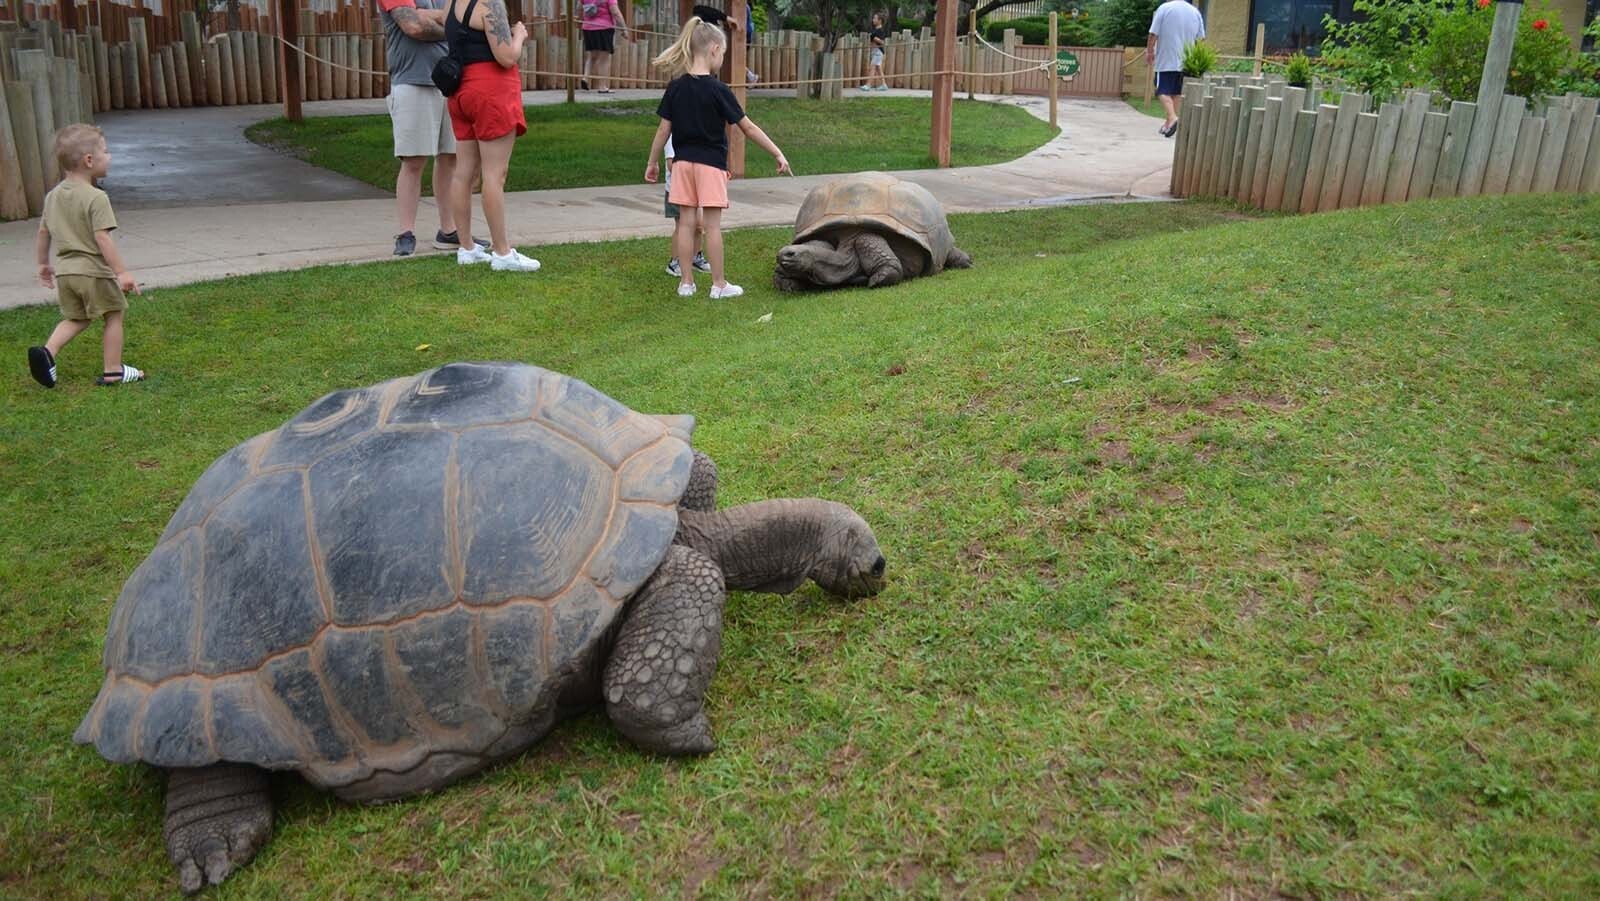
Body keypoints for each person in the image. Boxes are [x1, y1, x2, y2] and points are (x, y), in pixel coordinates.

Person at [645, 16, 790, 299]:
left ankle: (686, 283)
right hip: (710, 166)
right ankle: (719, 285)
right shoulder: (719, 90)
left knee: (686, 223)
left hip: (682, 165)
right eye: (722, 53)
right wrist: (777, 151)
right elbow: (746, 127)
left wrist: (652, 162)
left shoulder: (676, 87)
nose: (721, 58)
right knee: (711, 226)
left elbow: (664, 130)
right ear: (713, 49)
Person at [29, 124, 144, 388]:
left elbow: (43, 232)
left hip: (67, 273)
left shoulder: (52, 196)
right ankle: (113, 370)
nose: (110, 156)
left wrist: (43, 264)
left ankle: (47, 353)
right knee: (114, 314)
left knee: (77, 317)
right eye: (106, 151)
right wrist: (121, 272)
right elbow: (103, 238)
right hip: (93, 271)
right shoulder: (96, 197)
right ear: (89, 160)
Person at [376, 0, 486, 256]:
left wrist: (437, 18)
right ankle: (406, 233)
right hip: (412, 81)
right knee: (413, 161)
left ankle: (448, 231)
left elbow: (472, 19)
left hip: (450, 82)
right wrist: (453, 28)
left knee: (450, 158)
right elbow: (413, 26)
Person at [443, 0, 542, 271]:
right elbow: (507, 56)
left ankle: (467, 248)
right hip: (491, 91)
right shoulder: (490, 4)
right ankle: (502, 252)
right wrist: (518, 35)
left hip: (460, 91)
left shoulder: (452, 4)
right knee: (494, 175)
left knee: (463, 173)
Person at [1147, 0, 1204, 137]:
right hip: (1186, 60)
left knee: (1161, 90)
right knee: (1176, 93)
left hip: (1166, 59)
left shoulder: (1164, 8)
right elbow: (1201, 39)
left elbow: (1153, 33)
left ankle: (1173, 117)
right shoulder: (1195, 12)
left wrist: (1149, 51)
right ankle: (1168, 124)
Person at [662, 135, 712, 279]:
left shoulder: (693, 132)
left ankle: (696, 257)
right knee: (682, 226)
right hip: (677, 190)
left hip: (695, 190)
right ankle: (675, 262)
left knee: (698, 225)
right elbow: (671, 164)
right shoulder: (673, 136)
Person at [579, 0, 629, 93]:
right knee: (604, 59)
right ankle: (602, 87)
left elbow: (581, 9)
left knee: (591, 56)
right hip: (604, 28)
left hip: (588, 27)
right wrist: (624, 28)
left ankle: (585, 78)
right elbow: (615, 12)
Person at [864, 12, 889, 91]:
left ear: (880, 20)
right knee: (878, 69)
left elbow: (882, 42)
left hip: (878, 51)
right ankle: (884, 85)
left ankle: (868, 85)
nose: (873, 20)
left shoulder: (880, 30)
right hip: (874, 51)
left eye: (875, 18)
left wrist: (874, 38)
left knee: (872, 67)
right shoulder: (875, 30)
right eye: (873, 18)